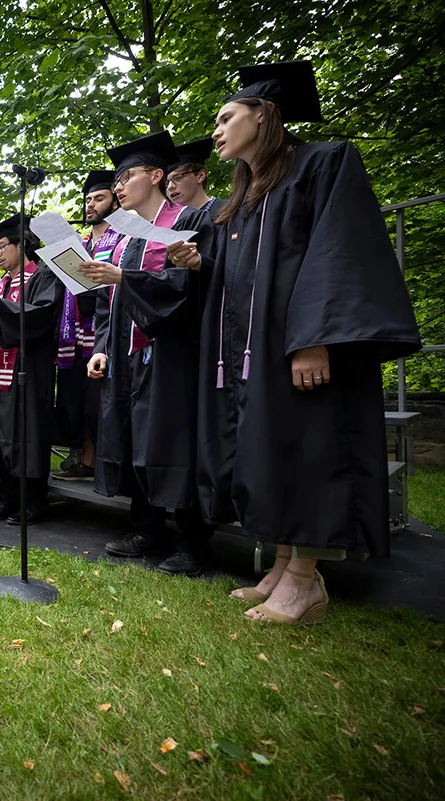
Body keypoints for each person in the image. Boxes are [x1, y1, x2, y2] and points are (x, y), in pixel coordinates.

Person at [166, 61, 420, 622]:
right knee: (273, 452)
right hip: (252, 354)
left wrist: (314, 339)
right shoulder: (244, 198)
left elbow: (338, 255)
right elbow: (245, 279)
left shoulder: (323, 164)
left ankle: (305, 580)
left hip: (299, 349)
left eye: (226, 117)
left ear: (265, 115)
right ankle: (284, 565)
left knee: (306, 451)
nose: (216, 130)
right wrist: (201, 262)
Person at [80, 130, 216, 577]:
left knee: (176, 441)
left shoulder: (190, 222)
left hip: (175, 353)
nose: (119, 185)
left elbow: (191, 289)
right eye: (116, 178)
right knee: (135, 438)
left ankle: (193, 541)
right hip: (126, 356)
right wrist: (101, 348)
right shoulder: (125, 237)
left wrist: (124, 279)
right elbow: (106, 300)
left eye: (128, 175)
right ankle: (148, 529)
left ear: (157, 176)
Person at [0, 213, 62, 525]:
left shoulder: (42, 276)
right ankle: (9, 498)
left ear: (22, 244)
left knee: (28, 433)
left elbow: (43, 314)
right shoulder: (1, 285)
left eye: (1, 247)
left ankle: (35, 502)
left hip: (29, 372)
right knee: (3, 435)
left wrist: (2, 308)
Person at [54, 171, 122, 482]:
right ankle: (86, 460)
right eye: (87, 200)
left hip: (105, 332)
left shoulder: (122, 240)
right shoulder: (78, 245)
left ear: (115, 201)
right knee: (78, 401)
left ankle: (104, 465)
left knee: (99, 403)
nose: (90, 205)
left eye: (98, 198)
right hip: (76, 335)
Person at [166, 138, 221, 215]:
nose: (170, 186)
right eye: (166, 183)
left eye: (177, 177)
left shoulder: (229, 212)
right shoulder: (171, 225)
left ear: (200, 176)